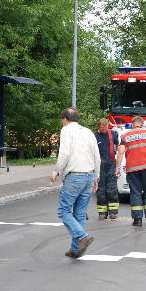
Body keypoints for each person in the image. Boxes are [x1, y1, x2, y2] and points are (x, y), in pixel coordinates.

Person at [50, 108, 100, 258]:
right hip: (88, 176)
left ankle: (82, 236)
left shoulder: (66, 130)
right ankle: (76, 249)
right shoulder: (88, 132)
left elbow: (64, 153)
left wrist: (55, 171)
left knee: (63, 211)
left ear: (65, 119)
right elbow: (96, 157)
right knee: (79, 213)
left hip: (75, 176)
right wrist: (96, 177)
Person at [116, 116, 146, 227]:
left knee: (135, 192)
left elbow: (121, 152)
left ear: (132, 125)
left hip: (132, 169)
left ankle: (137, 220)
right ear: (142, 124)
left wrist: (117, 168)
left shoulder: (125, 136)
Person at [94, 118, 120, 220]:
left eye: (105, 128)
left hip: (111, 163)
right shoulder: (95, 136)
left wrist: (118, 163)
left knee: (112, 188)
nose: (104, 130)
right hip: (99, 164)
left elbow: (118, 145)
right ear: (98, 127)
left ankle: (113, 212)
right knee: (101, 189)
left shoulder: (113, 134)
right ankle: (102, 212)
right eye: (102, 129)